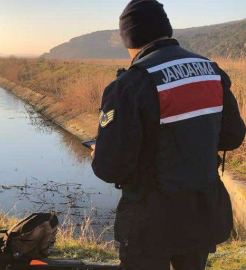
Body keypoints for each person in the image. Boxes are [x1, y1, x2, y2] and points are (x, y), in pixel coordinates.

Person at [91, 0, 246, 269]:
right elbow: (233, 137)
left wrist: (99, 152)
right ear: (167, 29)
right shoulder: (211, 71)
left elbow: (111, 168)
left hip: (150, 224)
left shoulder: (129, 85)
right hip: (201, 213)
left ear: (129, 37)